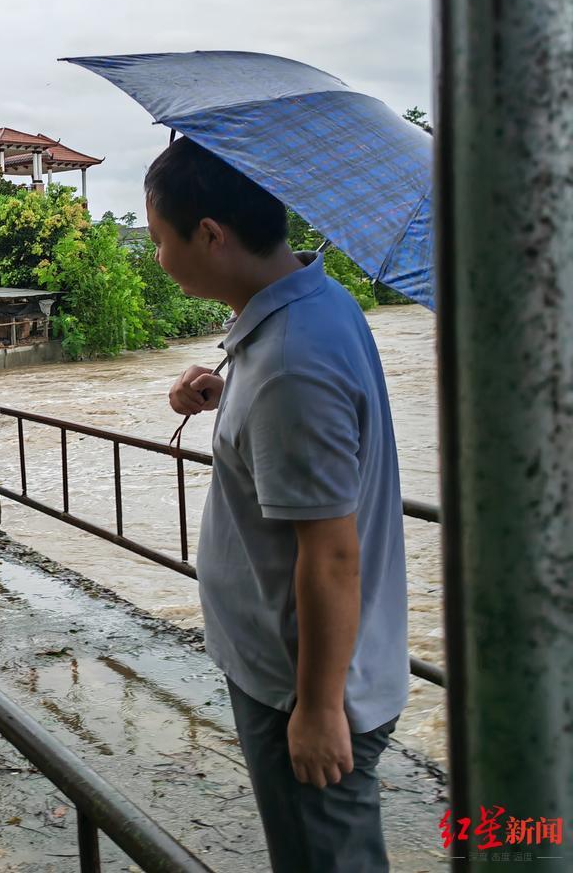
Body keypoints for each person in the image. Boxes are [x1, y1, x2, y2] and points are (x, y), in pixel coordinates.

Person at [148, 137, 407, 872]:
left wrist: (320, 710)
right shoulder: (312, 307)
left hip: (307, 687)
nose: (159, 257)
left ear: (210, 236)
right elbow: (315, 441)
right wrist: (231, 398)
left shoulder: (291, 360)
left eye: (162, 239)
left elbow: (330, 555)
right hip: (290, 669)